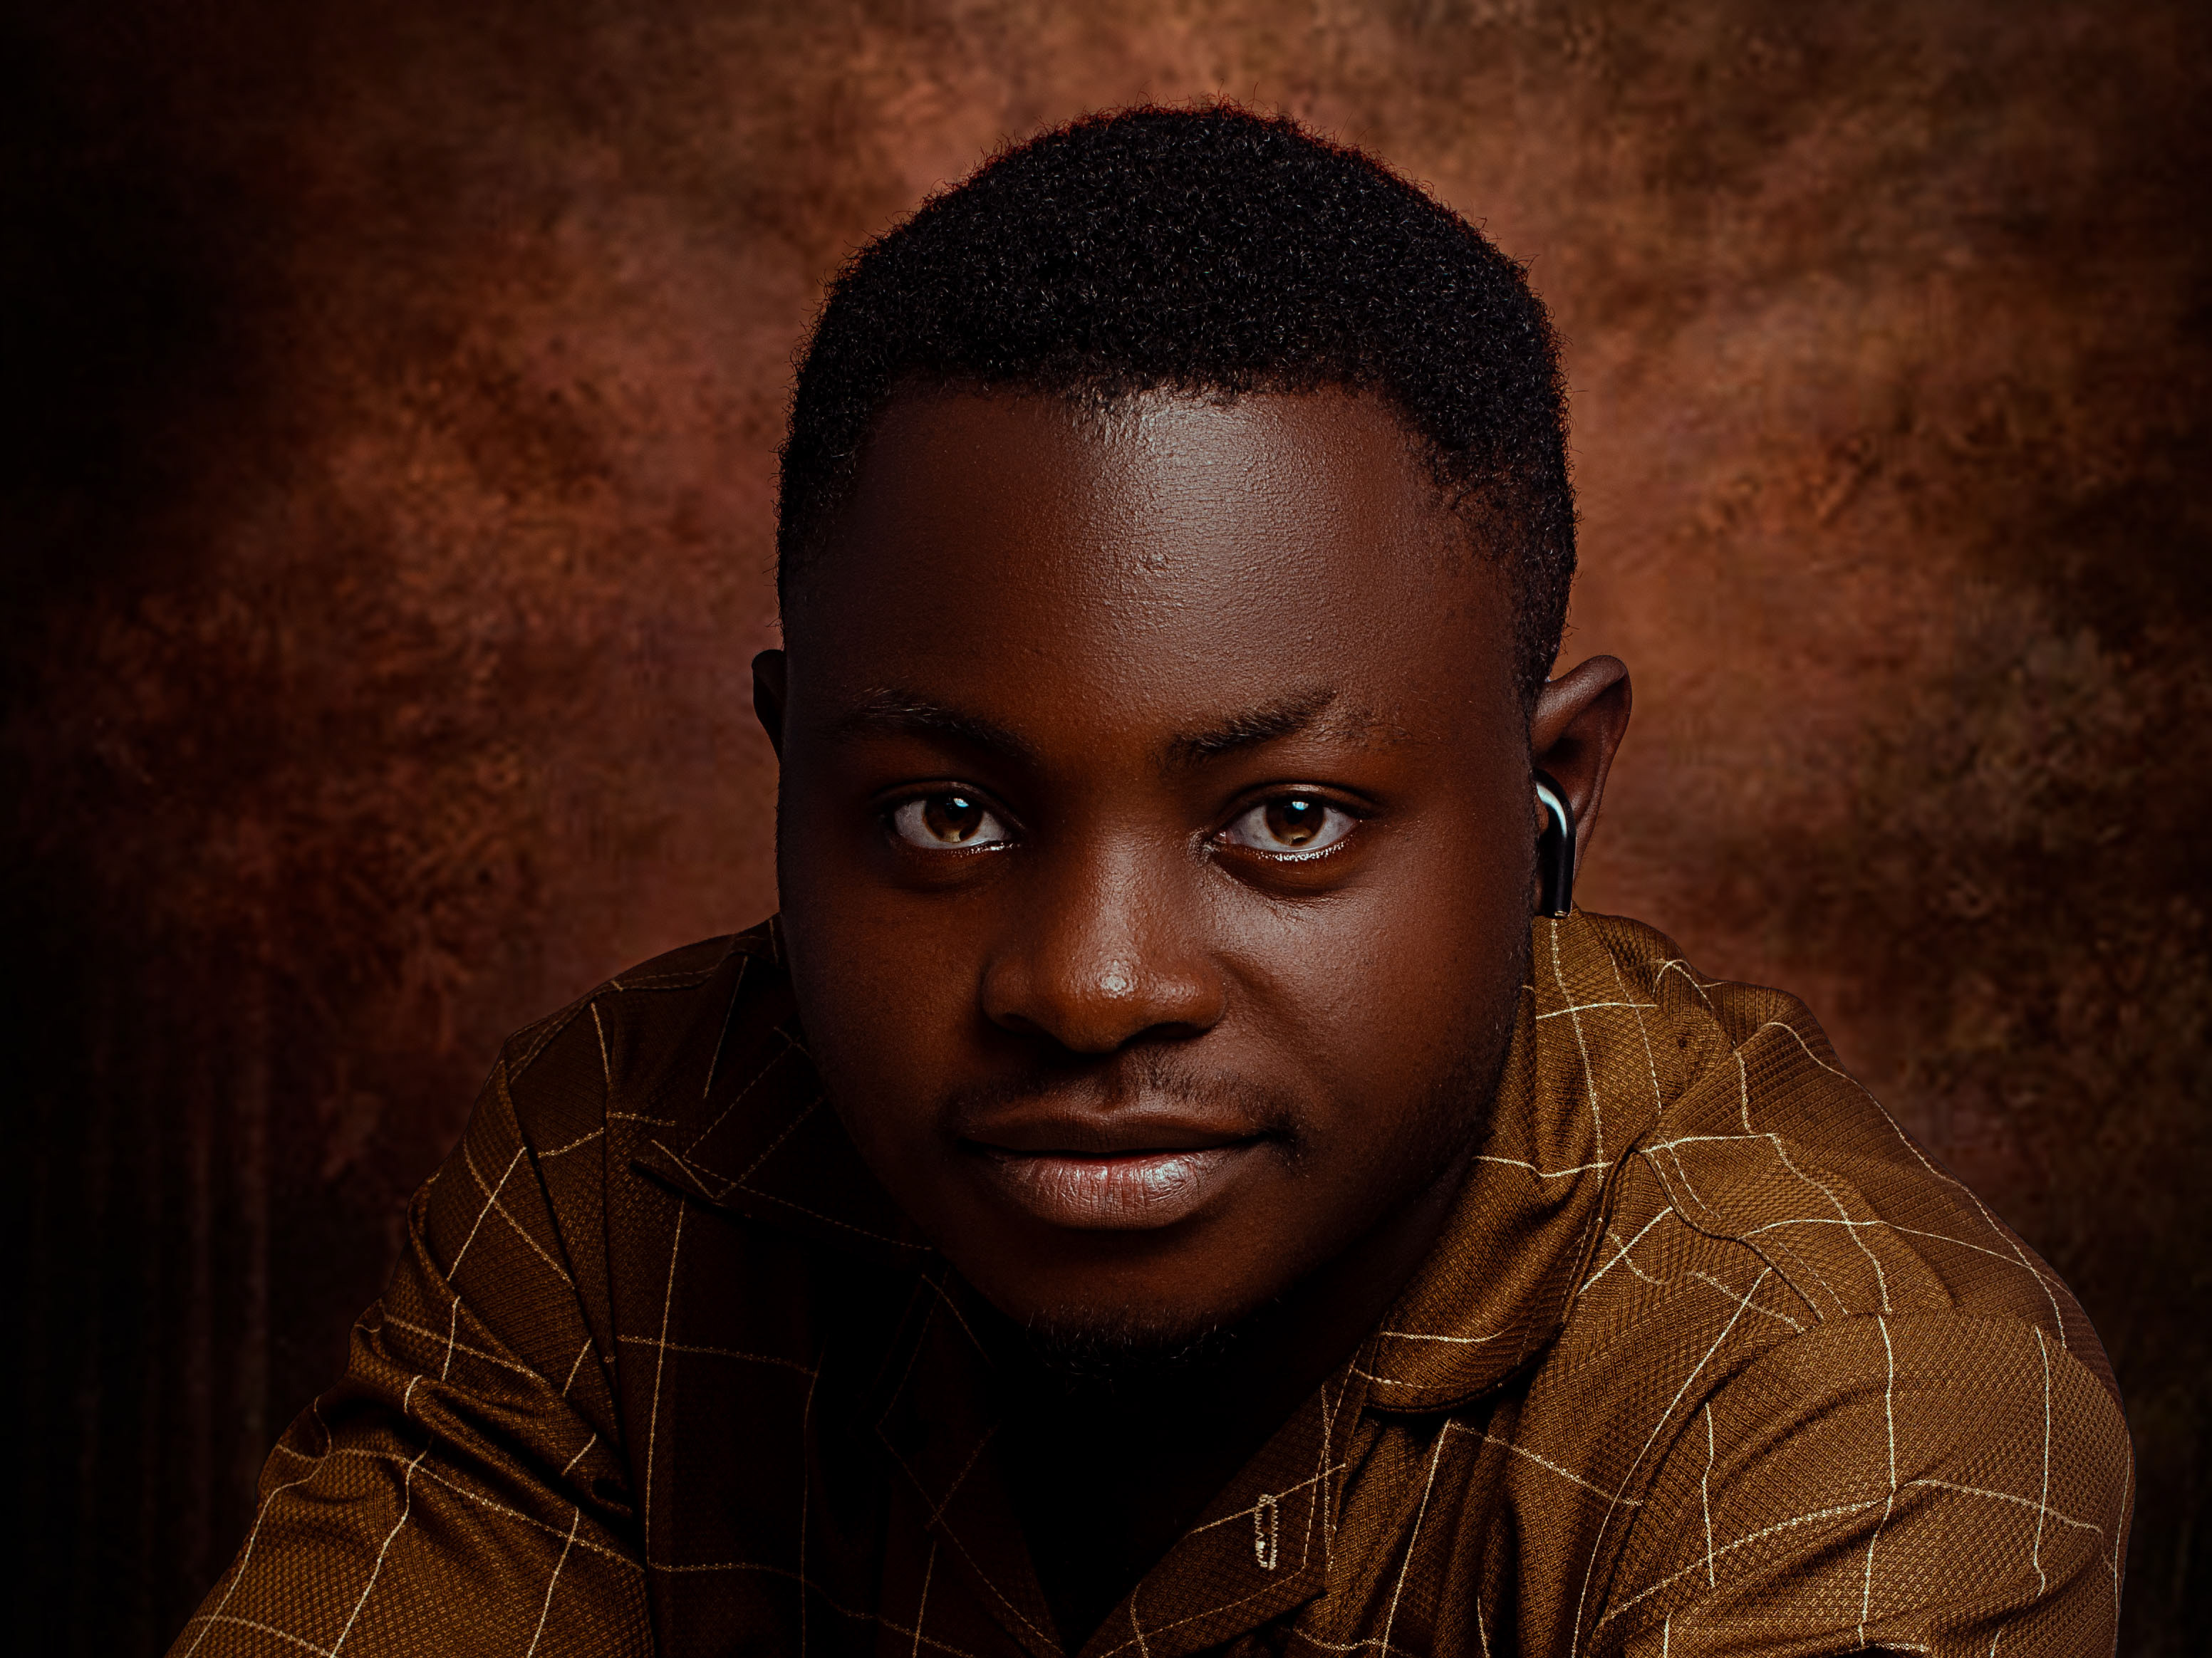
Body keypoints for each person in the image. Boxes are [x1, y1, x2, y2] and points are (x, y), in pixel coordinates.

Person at [171, 105, 2132, 1658]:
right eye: (948, 815)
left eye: (1286, 821)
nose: (1090, 986)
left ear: (1552, 793)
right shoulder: (623, 1174)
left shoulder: (1862, 1406)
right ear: (790, 774)